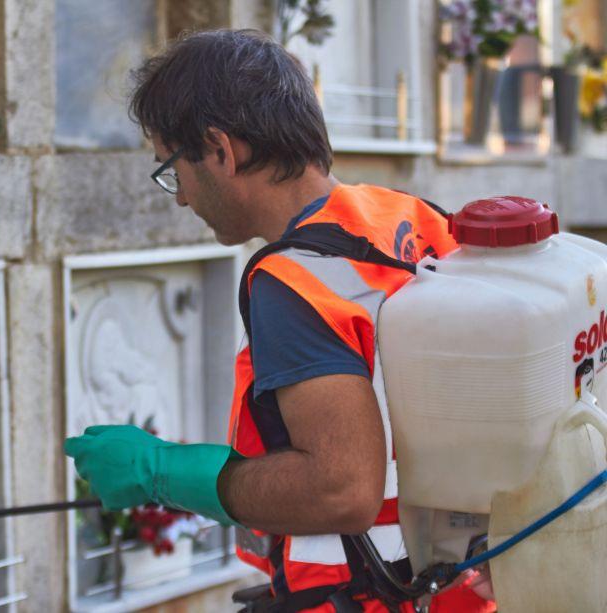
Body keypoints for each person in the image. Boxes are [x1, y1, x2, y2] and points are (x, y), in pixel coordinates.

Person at [65, 29, 495, 612]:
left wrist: (159, 471)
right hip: (454, 585)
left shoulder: (293, 281)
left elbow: (341, 489)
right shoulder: (410, 216)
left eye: (173, 167)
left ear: (220, 149)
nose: (181, 198)